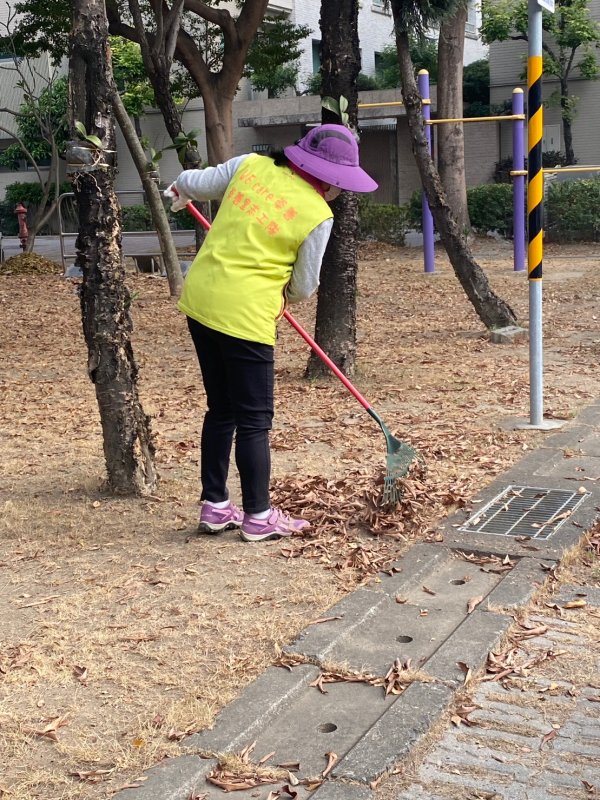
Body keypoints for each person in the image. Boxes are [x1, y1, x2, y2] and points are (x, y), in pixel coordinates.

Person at [165, 123, 377, 543]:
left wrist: (180, 190)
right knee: (254, 420)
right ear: (332, 179)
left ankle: (215, 505)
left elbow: (193, 182)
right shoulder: (318, 214)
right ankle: (259, 516)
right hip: (246, 316)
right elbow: (304, 285)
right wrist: (281, 297)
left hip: (202, 300)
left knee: (221, 409)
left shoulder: (251, 165)